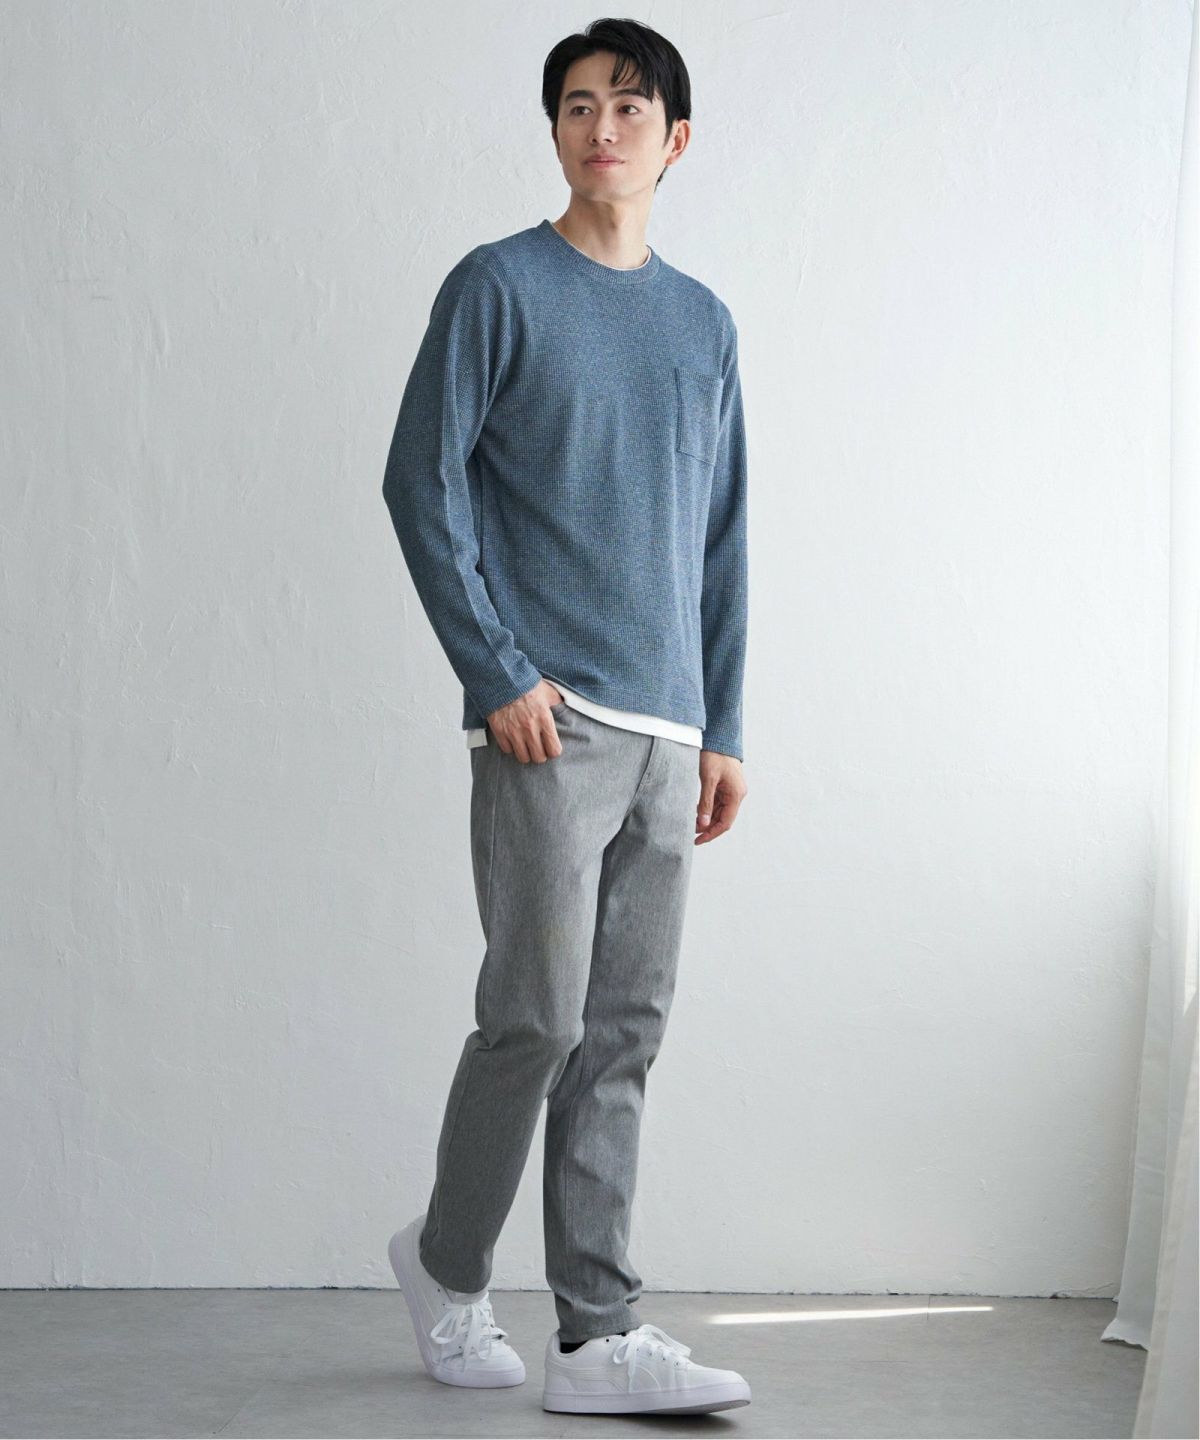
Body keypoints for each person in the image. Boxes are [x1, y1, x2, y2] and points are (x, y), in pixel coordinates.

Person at [381, 16, 751, 1418]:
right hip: (547, 720)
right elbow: (420, 482)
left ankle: (597, 1337)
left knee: (622, 1033)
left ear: (676, 139)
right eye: (580, 105)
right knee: (535, 1017)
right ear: (555, 131)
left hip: (668, 733)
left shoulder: (704, 324)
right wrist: (495, 673)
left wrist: (722, 725)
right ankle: (448, 1264)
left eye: (630, 105)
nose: (604, 126)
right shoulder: (498, 287)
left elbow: (721, 538)